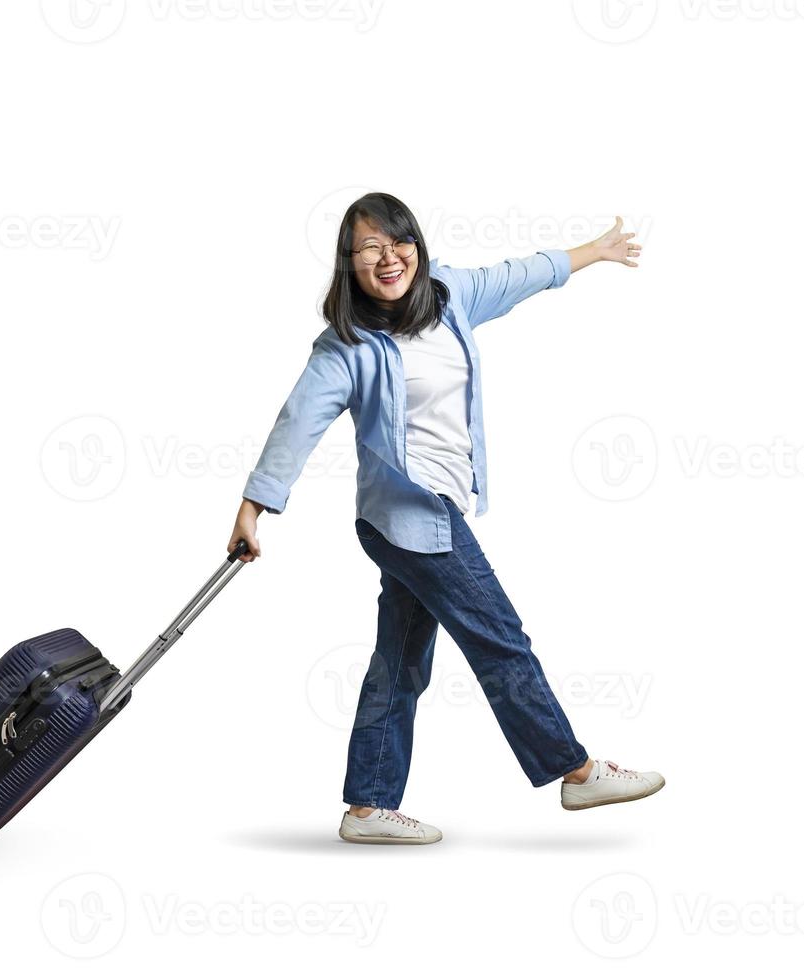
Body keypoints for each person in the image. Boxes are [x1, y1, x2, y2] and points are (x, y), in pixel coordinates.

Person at [229, 192, 664, 844]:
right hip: (412, 517)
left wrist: (594, 253)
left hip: (417, 518)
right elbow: (297, 423)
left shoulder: (450, 297)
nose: (387, 256)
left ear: (415, 245)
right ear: (350, 264)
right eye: (368, 247)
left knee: (399, 662)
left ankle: (368, 807)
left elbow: (523, 273)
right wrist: (253, 506)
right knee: (500, 637)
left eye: (396, 241)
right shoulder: (346, 347)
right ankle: (574, 771)